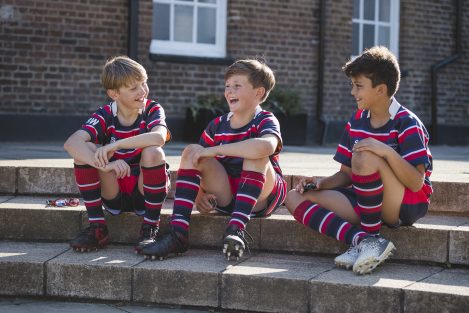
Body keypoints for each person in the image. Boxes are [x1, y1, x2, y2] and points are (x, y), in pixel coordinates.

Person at [284, 46, 433, 274]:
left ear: (381, 89)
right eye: (352, 85)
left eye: (359, 86)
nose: (353, 92)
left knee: (365, 155)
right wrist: (321, 183)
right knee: (294, 197)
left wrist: (385, 151)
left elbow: (416, 182)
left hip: (404, 204)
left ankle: (373, 237)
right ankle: (362, 240)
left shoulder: (407, 123)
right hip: (367, 200)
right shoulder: (356, 121)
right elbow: (346, 174)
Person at [142, 59, 287, 261]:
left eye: (237, 86)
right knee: (193, 150)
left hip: (261, 196)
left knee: (256, 153)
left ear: (259, 93)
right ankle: (178, 233)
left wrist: (216, 150)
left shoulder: (265, 120)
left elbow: (267, 146)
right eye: (227, 86)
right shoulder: (217, 125)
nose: (229, 91)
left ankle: (236, 230)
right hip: (226, 193)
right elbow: (198, 160)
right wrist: (201, 193)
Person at [64, 56, 171, 253]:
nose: (142, 91)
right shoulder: (105, 114)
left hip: (143, 189)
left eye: (144, 83)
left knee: (154, 152)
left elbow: (159, 137)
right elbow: (71, 143)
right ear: (114, 94)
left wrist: (116, 146)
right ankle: (98, 227)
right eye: (133, 88)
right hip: (113, 187)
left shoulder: (152, 108)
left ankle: (150, 228)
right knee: (83, 152)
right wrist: (107, 165)